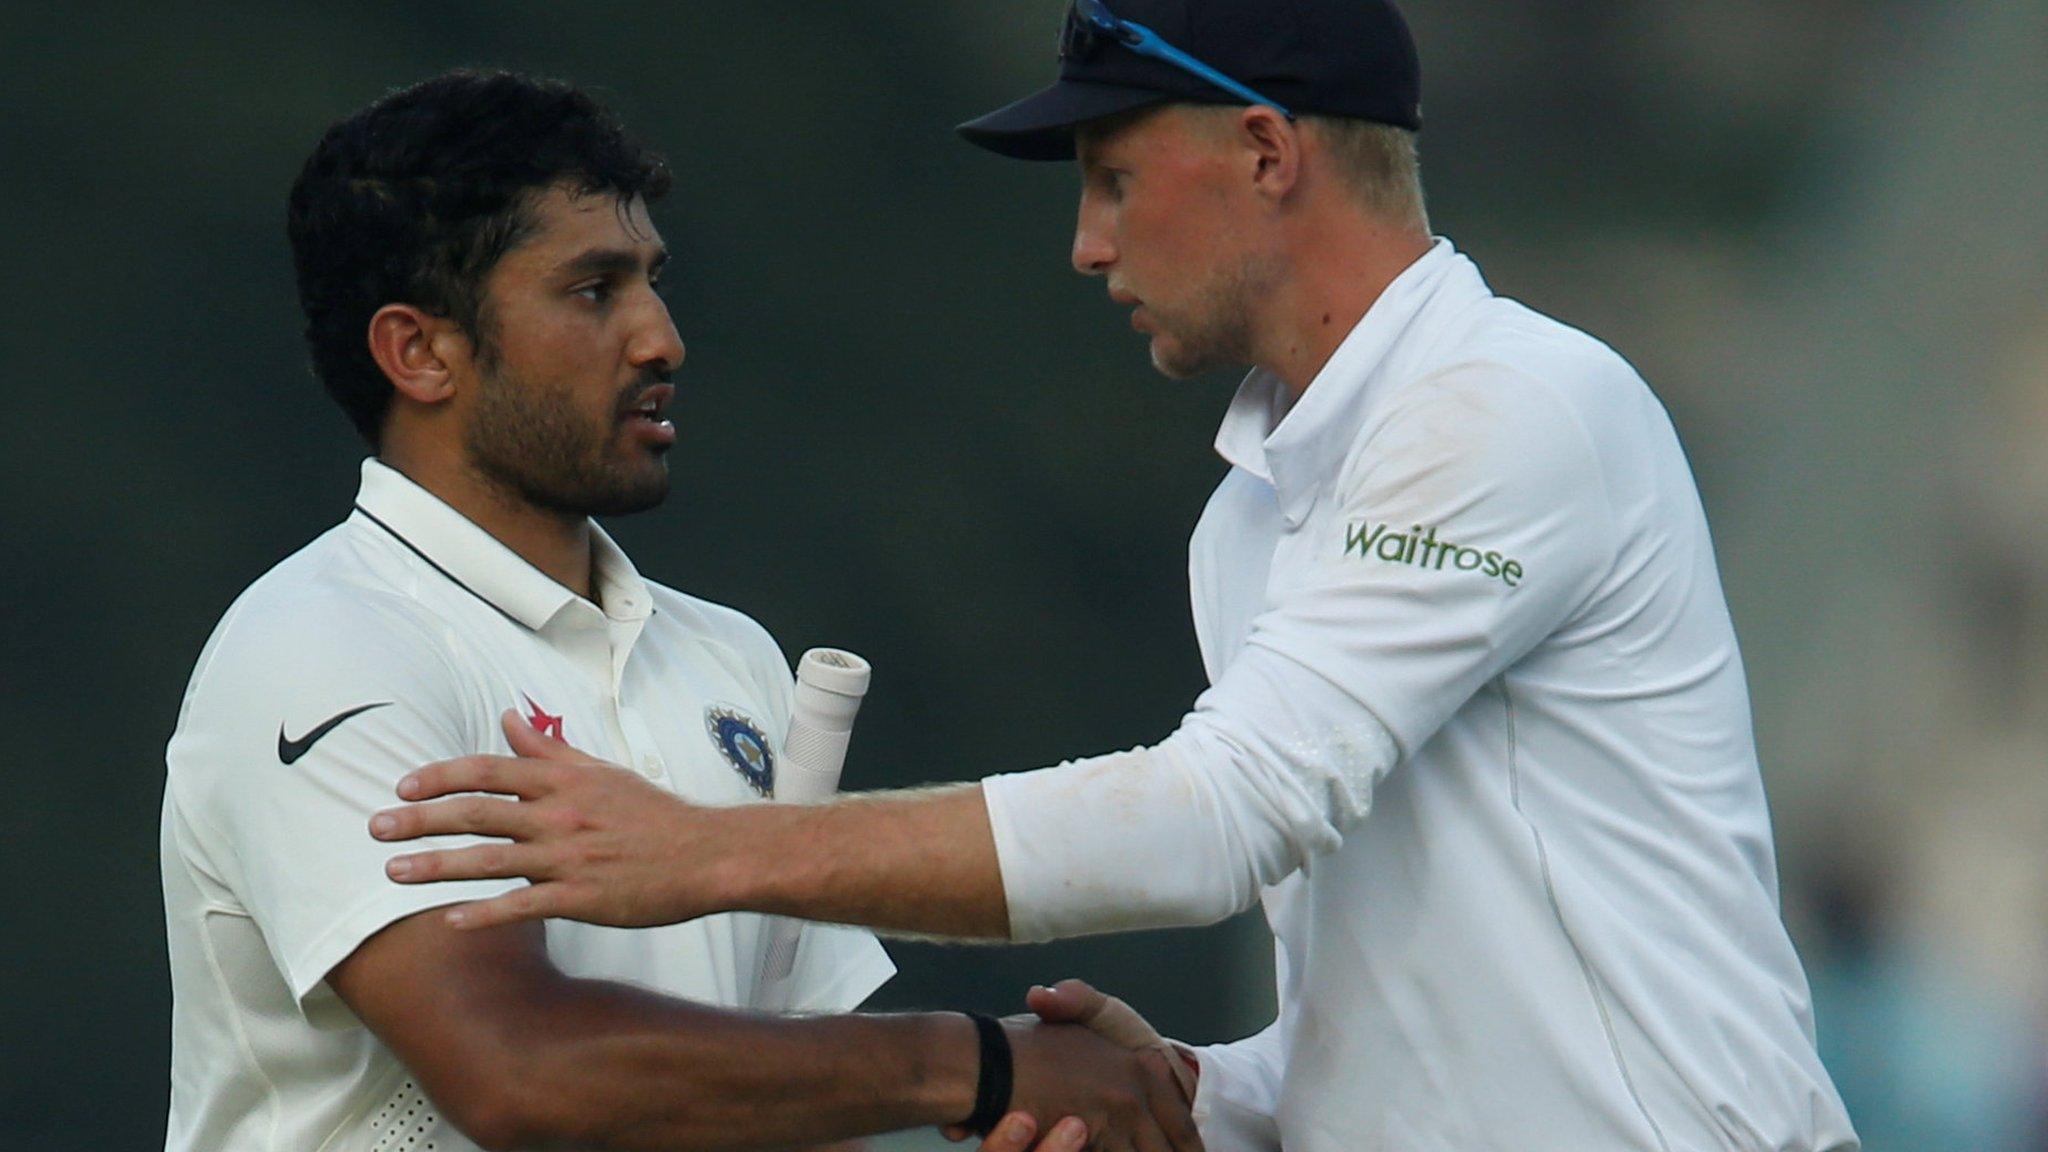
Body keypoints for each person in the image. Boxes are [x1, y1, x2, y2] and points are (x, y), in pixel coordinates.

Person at [371, 4, 1863, 1150]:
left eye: (1112, 177)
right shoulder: (1261, 510)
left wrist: (700, 851)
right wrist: (1190, 1093)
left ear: (1268, 154)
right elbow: (1414, 1011)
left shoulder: (1513, 403)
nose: (1085, 246)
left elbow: (1211, 822)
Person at [160, 69, 1197, 1152]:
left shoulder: (727, 656)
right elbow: (517, 1070)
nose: (661, 339)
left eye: (651, 280)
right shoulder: (326, 646)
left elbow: (790, 1095)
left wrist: (1038, 1108)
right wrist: (979, 1064)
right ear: (420, 352)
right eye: (593, 290)